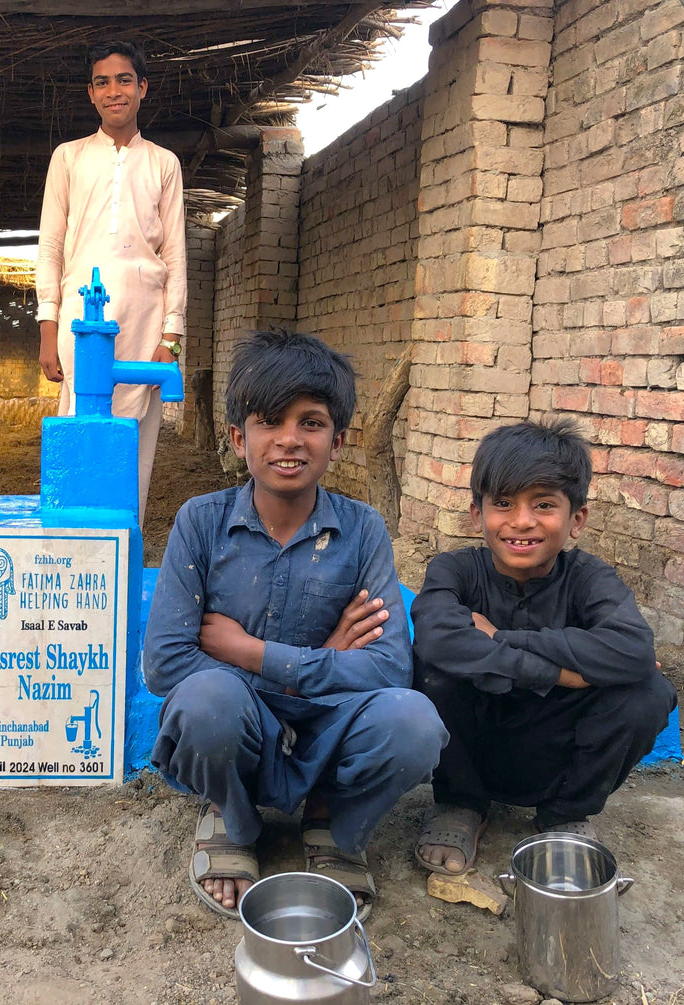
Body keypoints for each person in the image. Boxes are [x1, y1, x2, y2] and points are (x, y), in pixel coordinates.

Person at [143, 329, 447, 920]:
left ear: (338, 441)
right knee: (207, 702)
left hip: (330, 726)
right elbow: (165, 664)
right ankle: (231, 820)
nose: (289, 440)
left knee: (413, 720)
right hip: (243, 722)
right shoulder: (200, 524)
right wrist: (324, 657)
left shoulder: (363, 531)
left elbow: (390, 666)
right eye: (269, 422)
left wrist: (253, 652)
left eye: (311, 422)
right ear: (238, 438)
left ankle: (334, 822)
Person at [411, 419, 678, 874]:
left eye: (543, 504)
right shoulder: (454, 571)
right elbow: (438, 638)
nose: (521, 521)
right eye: (502, 504)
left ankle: (564, 815)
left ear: (576, 519)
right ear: (478, 515)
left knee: (648, 693)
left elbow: (633, 649)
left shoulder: (590, 579)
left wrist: (498, 637)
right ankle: (460, 805)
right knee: (432, 669)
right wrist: (556, 672)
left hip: (556, 752)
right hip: (469, 746)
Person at [35, 39, 187, 521]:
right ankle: (73, 541)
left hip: (144, 315)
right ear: (91, 93)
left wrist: (173, 336)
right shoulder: (69, 158)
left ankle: (125, 538)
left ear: (142, 88)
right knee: (79, 425)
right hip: (80, 319)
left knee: (137, 434)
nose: (114, 91)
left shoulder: (164, 163)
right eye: (103, 82)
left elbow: (176, 253)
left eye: (124, 80)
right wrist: (46, 326)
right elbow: (51, 246)